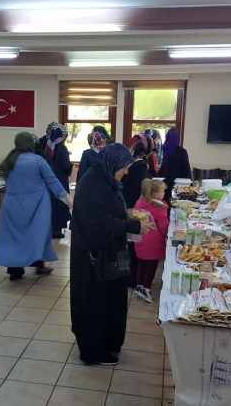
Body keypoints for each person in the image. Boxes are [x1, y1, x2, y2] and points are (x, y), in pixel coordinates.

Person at [69, 143, 150, 365]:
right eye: (123, 167)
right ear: (111, 163)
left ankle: (110, 342)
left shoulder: (105, 180)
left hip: (111, 251)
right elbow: (96, 225)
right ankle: (94, 350)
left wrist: (126, 214)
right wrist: (132, 225)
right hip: (94, 257)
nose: (126, 172)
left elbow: (109, 211)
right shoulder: (92, 185)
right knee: (96, 304)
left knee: (113, 299)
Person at [0, 132, 74, 281]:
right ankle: (39, 264)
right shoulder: (37, 160)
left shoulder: (10, 159)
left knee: (14, 238)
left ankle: (15, 271)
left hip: (12, 205)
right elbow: (52, 181)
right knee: (38, 235)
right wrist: (68, 199)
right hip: (36, 205)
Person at [121, 133, 154, 284]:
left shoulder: (131, 165)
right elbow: (143, 192)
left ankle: (129, 275)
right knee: (135, 245)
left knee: (129, 244)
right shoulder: (142, 169)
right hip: (136, 210)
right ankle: (133, 277)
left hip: (128, 206)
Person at [133, 179, 169, 303]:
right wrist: (168, 235)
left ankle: (139, 285)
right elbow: (163, 227)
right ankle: (146, 288)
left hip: (141, 238)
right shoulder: (160, 208)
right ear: (156, 194)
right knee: (152, 266)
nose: (164, 193)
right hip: (154, 242)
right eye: (163, 191)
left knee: (142, 263)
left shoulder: (140, 202)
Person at [43, 122, 73, 239]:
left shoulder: (48, 147)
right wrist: (71, 165)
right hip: (60, 180)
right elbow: (65, 166)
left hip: (50, 180)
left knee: (52, 204)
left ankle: (50, 228)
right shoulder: (62, 148)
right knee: (60, 205)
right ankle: (56, 231)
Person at [159, 127, 191, 202]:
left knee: (163, 204)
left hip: (162, 185)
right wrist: (189, 185)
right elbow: (186, 170)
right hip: (178, 186)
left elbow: (160, 169)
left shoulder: (162, 150)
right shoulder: (182, 152)